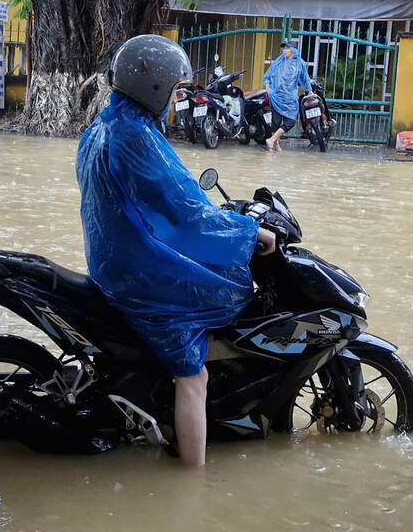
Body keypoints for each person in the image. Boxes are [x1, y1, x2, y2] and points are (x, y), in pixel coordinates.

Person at [76, 35, 276, 467]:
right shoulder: (134, 137)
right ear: (155, 88)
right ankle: (193, 480)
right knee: (195, 374)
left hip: (113, 263)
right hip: (139, 274)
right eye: (175, 89)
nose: (176, 98)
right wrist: (249, 232)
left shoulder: (107, 125)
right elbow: (187, 213)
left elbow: (168, 195)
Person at [263, 39, 312, 151]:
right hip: (277, 96)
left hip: (290, 98)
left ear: (293, 50)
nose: (285, 50)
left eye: (287, 48)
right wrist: (267, 87)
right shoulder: (279, 61)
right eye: (284, 48)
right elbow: (268, 74)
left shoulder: (299, 64)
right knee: (275, 122)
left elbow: (305, 78)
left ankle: (271, 139)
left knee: (290, 121)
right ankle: (275, 144)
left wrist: (309, 90)